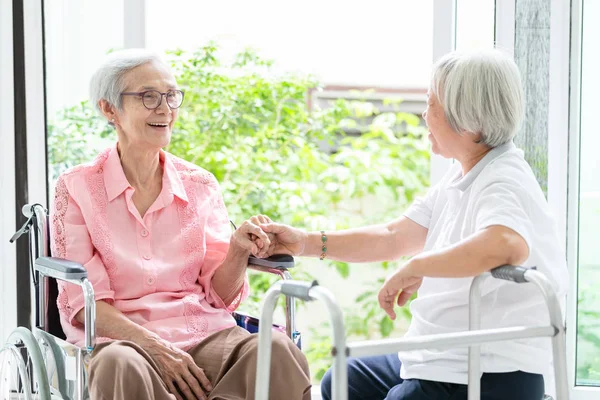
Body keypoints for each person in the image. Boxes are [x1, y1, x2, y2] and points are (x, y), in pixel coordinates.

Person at [259, 49, 568, 400]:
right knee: (342, 379)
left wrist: (420, 265)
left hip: (489, 369)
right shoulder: (463, 175)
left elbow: (506, 244)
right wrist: (305, 242)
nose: (424, 114)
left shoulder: (504, 179)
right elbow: (394, 236)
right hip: (440, 355)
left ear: (467, 120)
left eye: (431, 103)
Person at [50, 49, 311, 400]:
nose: (165, 108)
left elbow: (221, 295)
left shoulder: (198, 184)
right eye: (148, 97)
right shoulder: (77, 187)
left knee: (275, 351)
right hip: (125, 344)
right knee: (118, 365)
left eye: (172, 96)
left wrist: (236, 250)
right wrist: (154, 346)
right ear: (109, 109)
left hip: (204, 333)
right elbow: (83, 303)